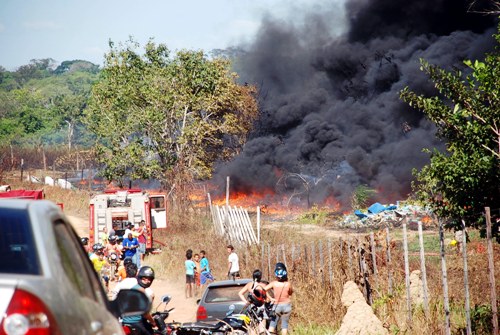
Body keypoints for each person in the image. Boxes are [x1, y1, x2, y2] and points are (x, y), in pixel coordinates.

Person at [119, 266, 158, 335]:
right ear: (140, 278)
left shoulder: (133, 288)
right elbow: (145, 313)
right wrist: (153, 322)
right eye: (144, 279)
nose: (147, 281)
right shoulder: (141, 291)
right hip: (136, 323)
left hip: (125, 322)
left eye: (149, 279)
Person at [264, 263, 293, 335]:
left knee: (273, 323)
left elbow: (264, 290)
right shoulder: (288, 284)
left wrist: (270, 298)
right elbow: (290, 293)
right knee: (284, 325)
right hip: (287, 306)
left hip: (277, 305)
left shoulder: (274, 283)